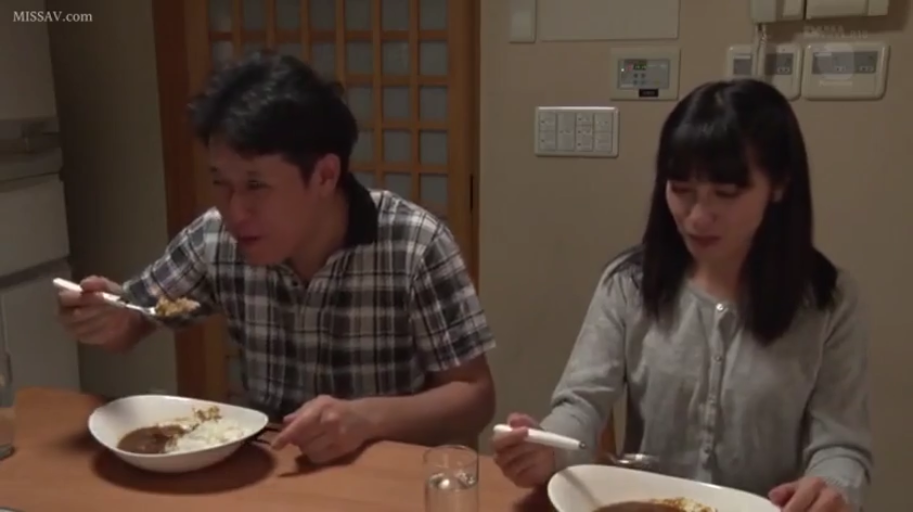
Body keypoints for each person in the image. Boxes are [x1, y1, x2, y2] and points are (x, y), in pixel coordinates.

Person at [56, 51, 497, 463]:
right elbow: (134, 321)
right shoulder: (216, 237)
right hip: (269, 470)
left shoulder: (415, 243)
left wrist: (367, 419)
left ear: (324, 176)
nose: (235, 211)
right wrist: (107, 314)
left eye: (256, 185)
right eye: (221, 182)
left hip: (384, 473)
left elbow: (475, 396)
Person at [491, 79, 872, 512]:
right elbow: (582, 403)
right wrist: (547, 447)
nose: (697, 217)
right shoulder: (630, 284)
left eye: (726, 194)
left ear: (779, 185)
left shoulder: (828, 302)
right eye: (681, 190)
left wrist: (832, 485)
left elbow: (841, 445)